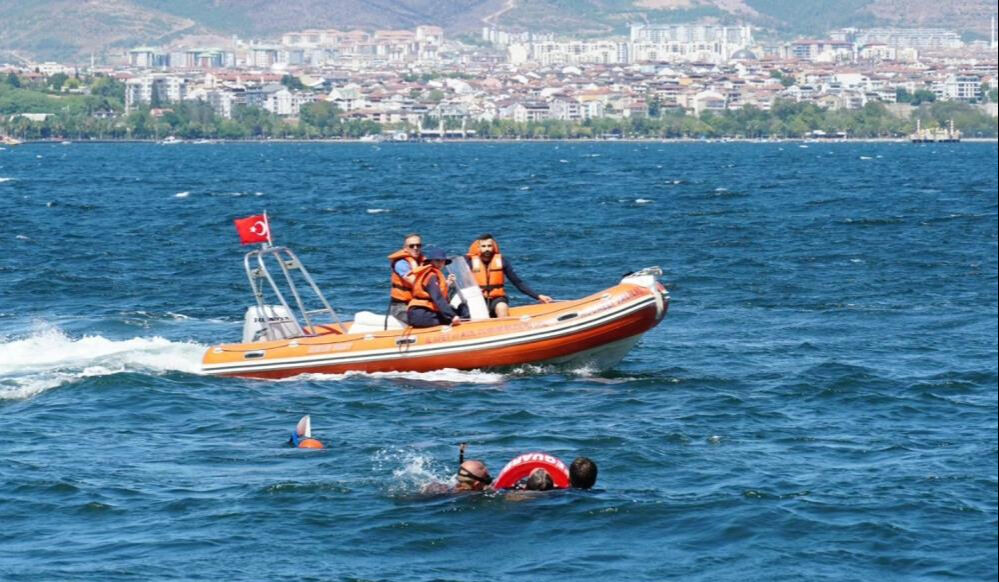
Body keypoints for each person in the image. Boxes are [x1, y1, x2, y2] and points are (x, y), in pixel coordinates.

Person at [466, 234, 553, 318]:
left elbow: (517, 282)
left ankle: (503, 324)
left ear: (493, 247)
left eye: (489, 246)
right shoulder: (469, 262)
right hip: (478, 299)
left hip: (497, 298)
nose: (487, 249)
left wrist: (537, 296)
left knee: (502, 307)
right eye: (484, 246)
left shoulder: (502, 261)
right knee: (476, 314)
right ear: (478, 248)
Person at [407, 246, 463, 329]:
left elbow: (437, 293)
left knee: (456, 312)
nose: (440, 263)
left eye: (442, 261)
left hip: (423, 312)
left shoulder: (433, 275)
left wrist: (447, 284)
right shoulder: (431, 276)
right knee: (450, 319)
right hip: (422, 314)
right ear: (431, 261)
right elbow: (438, 298)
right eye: (437, 260)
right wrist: (452, 316)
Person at [387, 233, 424, 324]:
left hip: (417, 303)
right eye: (411, 246)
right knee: (421, 319)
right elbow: (414, 281)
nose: (415, 248)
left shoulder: (423, 262)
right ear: (405, 248)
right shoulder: (401, 264)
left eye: (418, 245)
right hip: (400, 307)